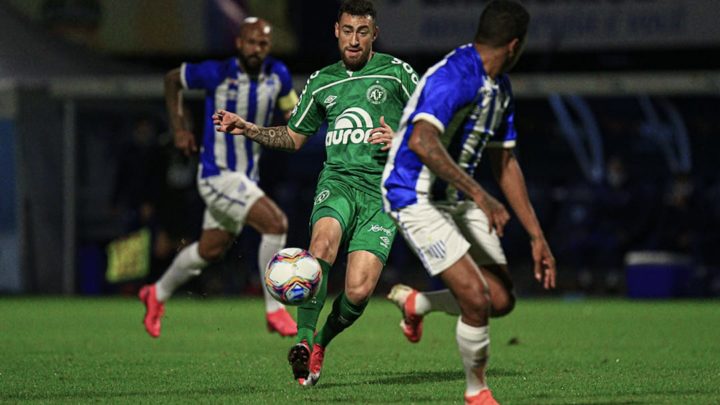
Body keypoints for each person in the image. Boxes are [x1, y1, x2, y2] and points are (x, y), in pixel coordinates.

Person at [213, 0, 418, 386]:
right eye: (347, 31)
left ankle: (322, 341)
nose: (354, 40)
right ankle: (303, 345)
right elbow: (293, 137)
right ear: (336, 32)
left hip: (381, 193)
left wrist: (402, 138)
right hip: (338, 182)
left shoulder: (397, 74)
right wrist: (249, 127)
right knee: (321, 247)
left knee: (357, 292)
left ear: (373, 35)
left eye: (362, 32)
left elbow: (432, 122)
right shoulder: (323, 81)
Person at [381, 1, 556, 404]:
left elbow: (505, 161)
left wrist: (536, 235)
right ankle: (477, 393)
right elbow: (421, 141)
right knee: (476, 300)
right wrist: (480, 193)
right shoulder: (455, 76)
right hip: (412, 194)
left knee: (500, 299)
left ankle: (417, 302)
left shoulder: (500, 88)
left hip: (455, 198)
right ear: (515, 45)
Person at [139, 17, 300, 339]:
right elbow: (173, 79)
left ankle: (156, 293)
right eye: (251, 42)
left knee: (210, 250)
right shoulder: (217, 72)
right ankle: (274, 309)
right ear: (239, 43)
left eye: (263, 44)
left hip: (245, 178)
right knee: (276, 224)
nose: (257, 49)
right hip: (217, 175)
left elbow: (292, 115)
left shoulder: (278, 75)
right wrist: (180, 128)